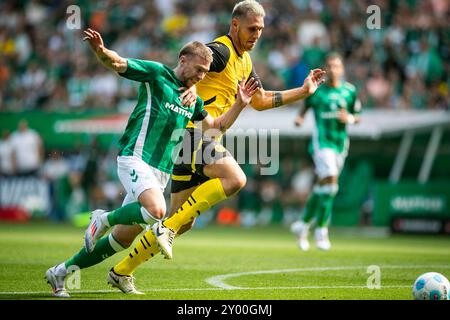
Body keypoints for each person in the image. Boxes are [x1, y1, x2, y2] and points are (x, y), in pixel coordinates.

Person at [102, 0, 325, 293]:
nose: (256, 34)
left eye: (260, 29)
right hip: (194, 135)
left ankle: (121, 269)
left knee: (182, 222)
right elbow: (194, 58)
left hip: (195, 141)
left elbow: (258, 101)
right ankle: (160, 229)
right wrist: (190, 86)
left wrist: (303, 91)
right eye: (251, 28)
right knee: (235, 178)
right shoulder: (221, 51)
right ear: (235, 25)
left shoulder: (244, 61)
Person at [45, 28, 258, 298]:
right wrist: (100, 52)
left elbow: (214, 129)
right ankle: (103, 218)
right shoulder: (157, 74)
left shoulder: (194, 99)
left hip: (161, 172)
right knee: (158, 211)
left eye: (206, 72)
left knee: (121, 239)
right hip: (135, 156)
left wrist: (240, 103)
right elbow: (119, 63)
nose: (202, 76)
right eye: (199, 69)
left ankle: (60, 272)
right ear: (182, 60)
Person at [290, 52, 361, 251]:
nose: (332, 70)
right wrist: (300, 119)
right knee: (331, 180)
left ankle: (303, 224)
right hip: (321, 144)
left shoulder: (349, 91)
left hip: (340, 145)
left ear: (342, 69)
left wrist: (350, 119)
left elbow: (358, 115)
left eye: (336, 66)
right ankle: (321, 230)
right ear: (326, 70)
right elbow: (304, 109)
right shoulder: (318, 92)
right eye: (329, 66)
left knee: (325, 187)